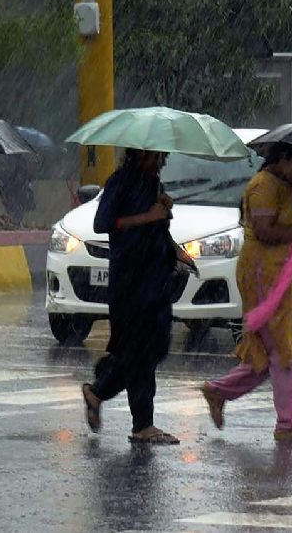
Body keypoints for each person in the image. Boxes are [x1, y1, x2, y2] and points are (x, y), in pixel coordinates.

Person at [199, 147, 292, 442]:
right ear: (283, 158)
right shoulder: (263, 186)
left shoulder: (291, 185)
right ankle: (287, 424)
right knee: (281, 349)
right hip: (264, 274)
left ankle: (219, 391)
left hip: (287, 274)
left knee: (284, 349)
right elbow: (264, 231)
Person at [81, 148, 194, 444]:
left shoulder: (153, 184)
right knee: (137, 352)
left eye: (161, 158)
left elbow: (156, 231)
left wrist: (174, 245)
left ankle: (100, 390)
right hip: (131, 281)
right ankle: (142, 424)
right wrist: (147, 216)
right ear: (137, 155)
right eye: (152, 157)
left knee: (151, 349)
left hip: (156, 281)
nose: (157, 163)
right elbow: (103, 223)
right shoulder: (120, 181)